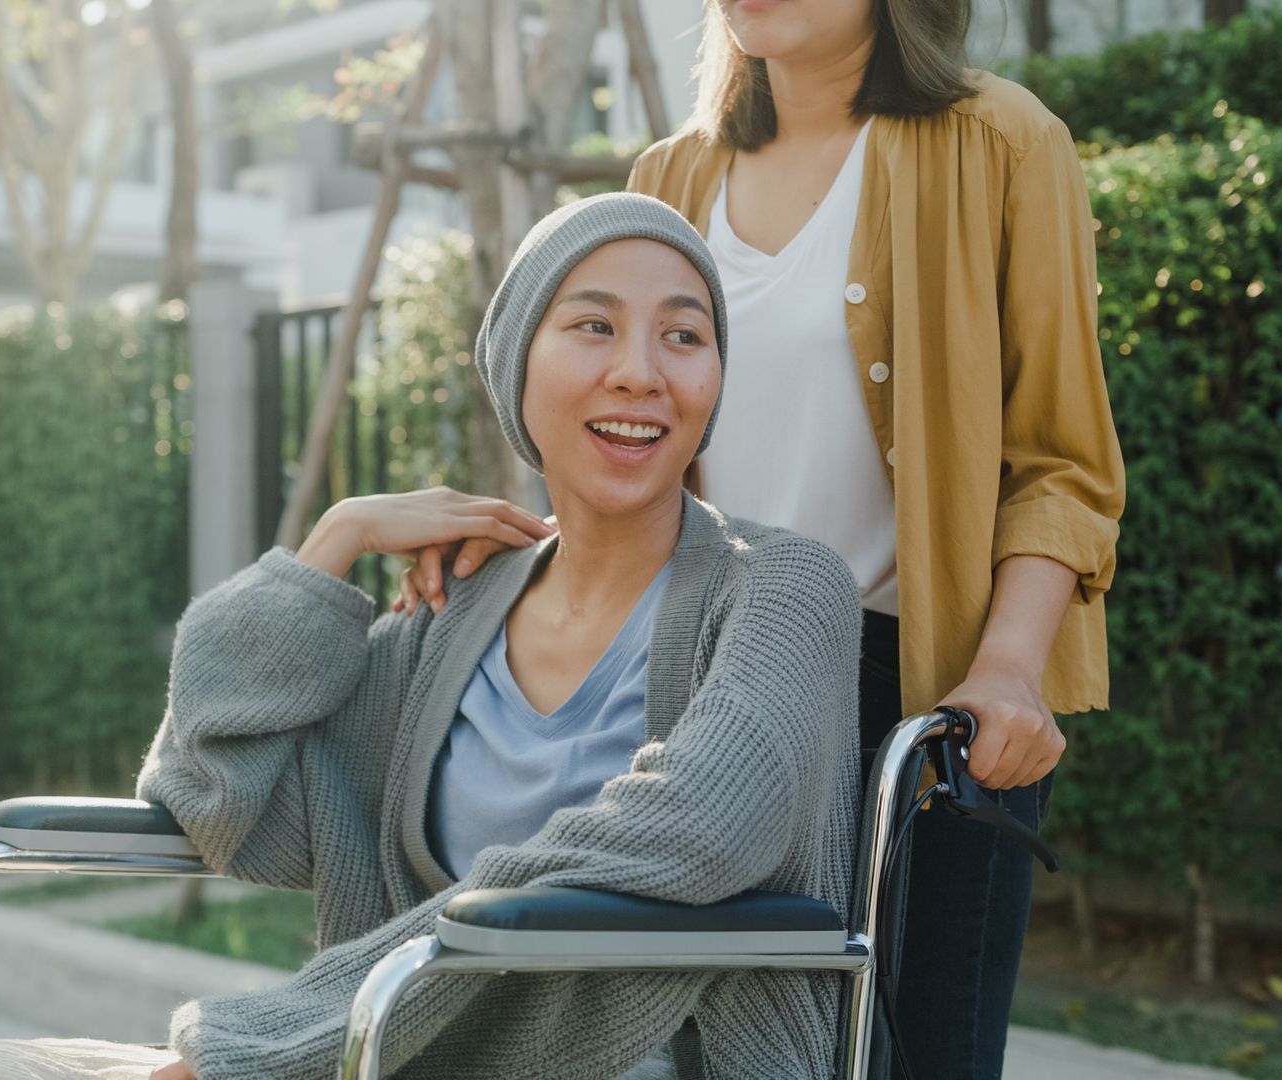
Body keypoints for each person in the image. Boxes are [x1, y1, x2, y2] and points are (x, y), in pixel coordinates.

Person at [0, 193, 863, 1080]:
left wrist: (277, 1044)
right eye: (593, 327)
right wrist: (334, 545)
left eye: (684, 336)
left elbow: (697, 829)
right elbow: (215, 798)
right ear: (516, 369)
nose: (642, 371)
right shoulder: (457, 618)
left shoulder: (784, 589)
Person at [397, 2, 1127, 1075]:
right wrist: (525, 555)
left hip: (928, 700)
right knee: (698, 1041)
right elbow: (642, 441)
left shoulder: (1000, 141)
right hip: (708, 678)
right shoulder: (669, 179)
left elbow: (1061, 461)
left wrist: (1009, 669)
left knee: (919, 1054)